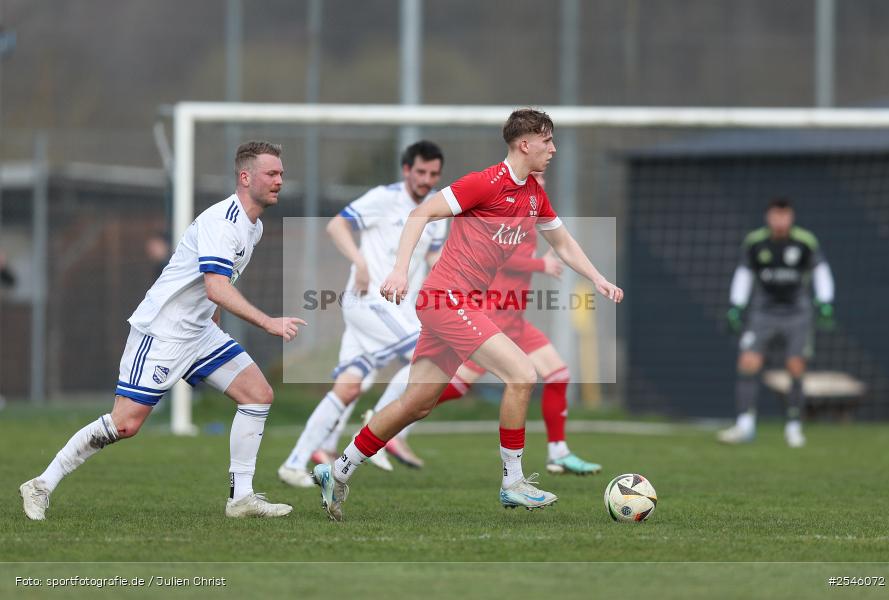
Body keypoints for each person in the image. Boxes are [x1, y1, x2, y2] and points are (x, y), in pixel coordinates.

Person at [313, 108, 623, 521]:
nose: (553, 148)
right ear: (524, 144)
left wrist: (598, 278)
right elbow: (420, 213)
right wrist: (400, 270)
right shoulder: (483, 183)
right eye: (547, 141)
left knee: (415, 404)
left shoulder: (534, 193)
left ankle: (337, 470)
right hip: (445, 298)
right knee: (522, 373)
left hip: (463, 304)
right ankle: (513, 483)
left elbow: (562, 242)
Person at [19, 141, 303, 520]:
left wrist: (212, 316)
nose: (279, 180)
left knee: (257, 394)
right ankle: (40, 484)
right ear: (245, 177)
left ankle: (241, 498)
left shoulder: (255, 228)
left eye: (281, 174)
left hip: (200, 332)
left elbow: (213, 286)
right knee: (125, 424)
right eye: (272, 173)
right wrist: (268, 322)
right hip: (163, 333)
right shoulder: (223, 223)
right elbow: (216, 285)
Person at [375, 172, 602, 475]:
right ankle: (391, 420)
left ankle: (558, 452)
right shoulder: (506, 210)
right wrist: (541, 264)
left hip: (515, 318)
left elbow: (561, 243)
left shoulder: (532, 214)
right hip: (492, 313)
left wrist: (597, 277)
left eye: (545, 177)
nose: (542, 182)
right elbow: (499, 258)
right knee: (446, 389)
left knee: (558, 375)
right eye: (536, 176)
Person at [277, 141, 446, 487]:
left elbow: (433, 260)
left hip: (398, 311)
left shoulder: (438, 208)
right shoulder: (384, 197)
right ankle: (381, 422)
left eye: (433, 174)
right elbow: (337, 225)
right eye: (421, 172)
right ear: (406, 171)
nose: (426, 179)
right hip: (367, 301)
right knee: (430, 355)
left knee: (349, 387)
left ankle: (293, 464)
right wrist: (359, 262)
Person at [718, 198, 835, 448]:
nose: (780, 221)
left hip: (797, 312)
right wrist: (736, 305)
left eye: (785, 216)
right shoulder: (755, 242)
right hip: (764, 312)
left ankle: (794, 426)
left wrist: (825, 301)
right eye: (776, 215)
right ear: (768, 217)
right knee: (748, 362)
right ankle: (745, 424)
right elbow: (744, 273)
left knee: (795, 365)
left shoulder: (805, 241)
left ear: (791, 217)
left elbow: (821, 270)